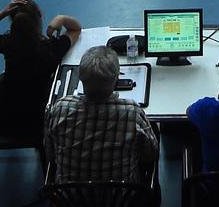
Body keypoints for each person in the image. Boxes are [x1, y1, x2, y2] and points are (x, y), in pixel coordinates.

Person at [0, 0, 81, 142]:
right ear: (39, 18)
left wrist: (2, 13)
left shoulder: (7, 43)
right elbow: (75, 28)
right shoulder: (52, 48)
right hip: (35, 118)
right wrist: (62, 18)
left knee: (2, 77)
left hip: (0, 113)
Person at [44, 46, 158, 186]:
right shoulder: (132, 112)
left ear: (80, 78)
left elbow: (51, 155)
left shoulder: (59, 109)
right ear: (116, 81)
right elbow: (151, 155)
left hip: (70, 203)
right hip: (122, 203)